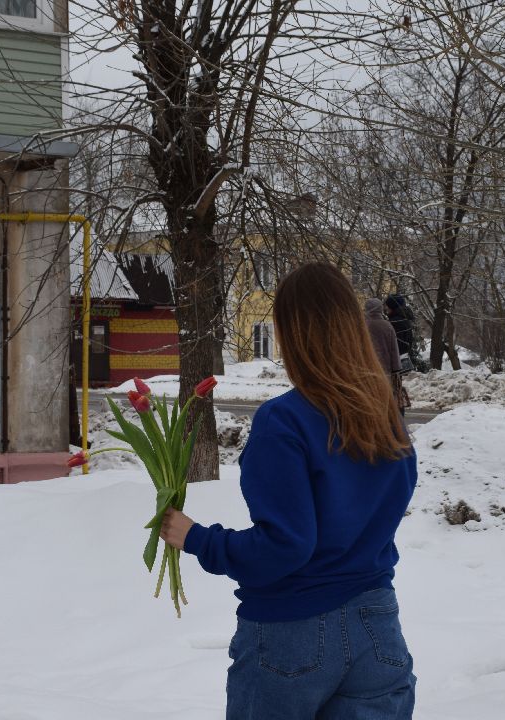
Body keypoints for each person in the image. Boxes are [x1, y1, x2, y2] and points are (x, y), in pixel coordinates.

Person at [161, 262, 418, 719]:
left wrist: (197, 539)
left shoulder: (285, 420)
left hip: (294, 634)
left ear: (291, 332)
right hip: (378, 628)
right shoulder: (386, 417)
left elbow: (286, 547)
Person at [364, 297, 401, 382]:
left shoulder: (362, 326)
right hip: (384, 369)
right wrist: (396, 369)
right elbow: (394, 349)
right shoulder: (387, 326)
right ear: (380, 308)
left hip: (366, 369)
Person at [384, 295, 414, 373]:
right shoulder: (404, 318)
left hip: (396, 363)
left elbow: (393, 344)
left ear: (393, 306)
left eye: (388, 306)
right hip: (404, 359)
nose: (386, 308)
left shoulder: (395, 322)